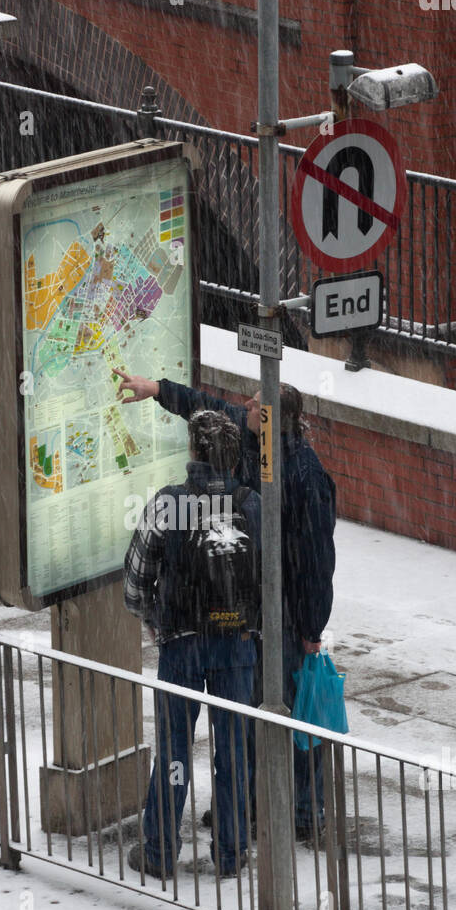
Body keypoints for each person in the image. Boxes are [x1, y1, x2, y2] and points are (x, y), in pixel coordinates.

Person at [116, 370, 335, 841]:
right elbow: (204, 406)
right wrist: (158, 390)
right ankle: (237, 834)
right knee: (241, 732)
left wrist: (312, 625)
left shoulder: (304, 475)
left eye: (256, 404)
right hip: (244, 627)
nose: (247, 405)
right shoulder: (251, 486)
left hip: (278, 616)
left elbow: (317, 559)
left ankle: (299, 813)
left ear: (278, 419)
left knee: (290, 712)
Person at [123, 410, 261, 878]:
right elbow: (271, 577)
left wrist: (153, 619)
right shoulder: (251, 504)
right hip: (236, 645)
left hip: (181, 643)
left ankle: (160, 849)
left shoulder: (169, 504)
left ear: (195, 452)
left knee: (175, 748)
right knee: (233, 750)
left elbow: (136, 577)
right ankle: (231, 850)